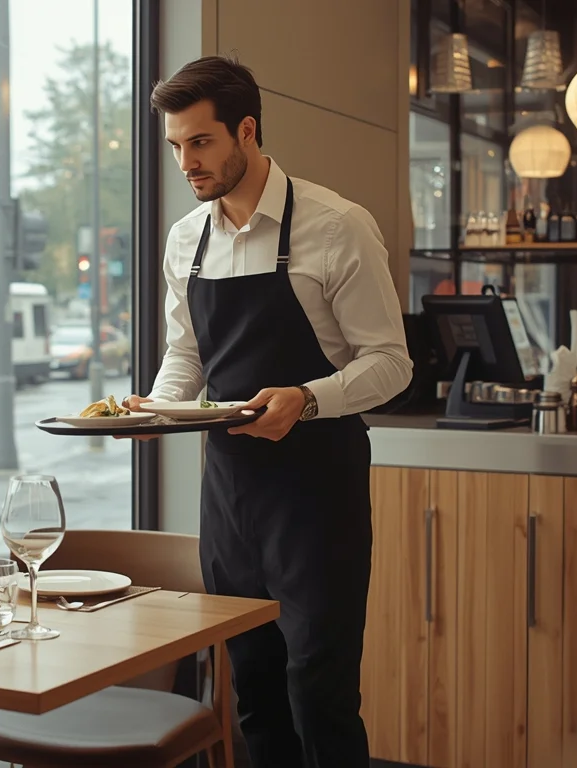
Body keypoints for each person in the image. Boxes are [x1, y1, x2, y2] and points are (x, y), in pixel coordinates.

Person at [124, 56, 412, 768]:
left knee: (319, 689)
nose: (186, 163)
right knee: (251, 686)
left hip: (318, 492)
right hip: (229, 492)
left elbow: (390, 364)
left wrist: (308, 399)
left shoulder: (337, 225)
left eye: (201, 142)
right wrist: (155, 410)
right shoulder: (184, 240)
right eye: (176, 147)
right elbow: (186, 355)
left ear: (246, 131)